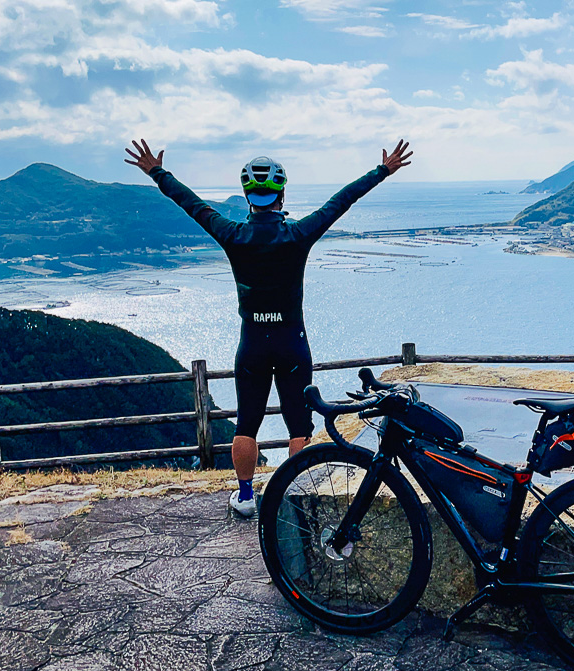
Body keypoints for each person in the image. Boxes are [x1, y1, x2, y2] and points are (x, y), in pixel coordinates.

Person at [125, 138, 413, 516]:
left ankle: (246, 497)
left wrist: (157, 173)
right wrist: (382, 171)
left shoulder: (233, 235)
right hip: (292, 342)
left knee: (246, 425)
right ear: (281, 194)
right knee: (299, 427)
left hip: (252, 346)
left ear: (247, 195)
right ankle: (297, 497)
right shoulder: (296, 235)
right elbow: (340, 203)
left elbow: (192, 205)